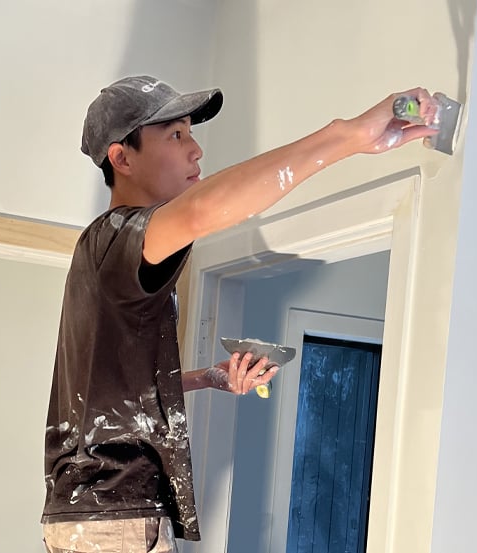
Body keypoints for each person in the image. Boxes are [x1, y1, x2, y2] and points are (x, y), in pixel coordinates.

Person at [40, 75, 439, 553]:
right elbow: (200, 212)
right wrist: (346, 135)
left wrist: (209, 378)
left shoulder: (105, 253)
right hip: (112, 517)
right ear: (122, 158)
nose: (196, 151)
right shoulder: (119, 236)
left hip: (98, 514)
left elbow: (114, 386)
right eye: (176, 135)